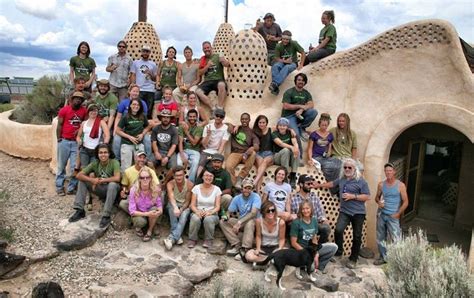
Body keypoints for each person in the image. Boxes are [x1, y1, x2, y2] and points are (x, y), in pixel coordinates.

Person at [314, 158, 370, 269]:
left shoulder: (361, 181)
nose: (347, 169)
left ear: (354, 169)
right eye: (345, 167)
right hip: (345, 211)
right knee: (338, 230)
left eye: (350, 167)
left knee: (357, 236)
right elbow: (331, 184)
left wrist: (352, 196)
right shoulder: (342, 179)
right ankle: (339, 252)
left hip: (358, 213)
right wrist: (317, 185)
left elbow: (367, 196)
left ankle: (353, 259)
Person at [68, 144, 121, 229]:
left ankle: (106, 216)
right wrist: (92, 180)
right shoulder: (95, 163)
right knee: (82, 181)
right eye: (100, 153)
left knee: (112, 184)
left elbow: (117, 178)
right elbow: (79, 175)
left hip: (112, 190)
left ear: (109, 153)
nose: (103, 155)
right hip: (100, 189)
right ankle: (80, 210)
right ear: (97, 154)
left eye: (105, 152)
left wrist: (100, 180)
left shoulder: (114, 162)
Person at [374, 163, 408, 265]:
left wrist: (398, 213)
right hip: (382, 214)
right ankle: (383, 257)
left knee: (396, 238)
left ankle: (397, 260)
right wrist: (379, 202)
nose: (388, 172)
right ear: (384, 172)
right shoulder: (381, 184)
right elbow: (377, 197)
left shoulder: (400, 185)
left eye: (390, 170)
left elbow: (406, 202)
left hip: (393, 216)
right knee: (380, 237)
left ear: (394, 171)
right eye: (386, 170)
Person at [290, 200, 338, 274]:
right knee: (311, 269)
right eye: (303, 209)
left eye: (307, 208)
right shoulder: (296, 222)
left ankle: (320, 268)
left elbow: (314, 239)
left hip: (312, 249)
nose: (305, 211)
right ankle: (307, 266)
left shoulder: (314, 220)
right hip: (301, 251)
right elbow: (293, 243)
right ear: (300, 210)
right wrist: (308, 254)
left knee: (334, 247)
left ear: (311, 209)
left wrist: (316, 252)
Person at [56, 91, 87, 196]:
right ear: (71, 99)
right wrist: (59, 139)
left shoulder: (84, 111)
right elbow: (59, 125)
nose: (78, 100)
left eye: (80, 99)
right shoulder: (64, 110)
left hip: (76, 143)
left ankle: (71, 187)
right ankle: (59, 186)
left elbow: (85, 125)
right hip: (64, 141)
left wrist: (80, 134)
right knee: (61, 165)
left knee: (75, 166)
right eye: (76, 98)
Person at [220, 178, 261, 256]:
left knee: (250, 222)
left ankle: (245, 249)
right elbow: (229, 212)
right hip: (241, 222)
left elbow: (253, 213)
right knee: (223, 222)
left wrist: (239, 222)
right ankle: (236, 245)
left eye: (249, 188)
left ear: (252, 189)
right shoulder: (237, 198)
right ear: (242, 188)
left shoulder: (256, 197)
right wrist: (226, 216)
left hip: (254, 223)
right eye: (245, 188)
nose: (247, 190)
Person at [281, 73, 318, 155]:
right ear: (295, 81)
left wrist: (302, 109)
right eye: (299, 80)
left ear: (305, 82)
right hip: (289, 117)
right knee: (296, 134)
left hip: (300, 116)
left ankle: (301, 127)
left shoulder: (306, 93)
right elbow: (286, 106)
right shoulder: (289, 92)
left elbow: (311, 105)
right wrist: (300, 106)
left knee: (313, 112)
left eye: (302, 80)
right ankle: (299, 155)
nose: (301, 82)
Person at [289, 174, 331, 244]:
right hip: (301, 225)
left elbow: (320, 214)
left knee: (326, 228)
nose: (310, 186)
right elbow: (292, 216)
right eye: (308, 184)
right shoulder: (294, 199)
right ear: (301, 184)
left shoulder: (314, 197)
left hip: (314, 224)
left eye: (311, 183)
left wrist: (323, 220)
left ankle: (317, 249)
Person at [113, 84, 150, 160]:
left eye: (137, 91)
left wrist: (143, 133)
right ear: (129, 91)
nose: (135, 93)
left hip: (139, 129)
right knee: (116, 139)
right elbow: (118, 117)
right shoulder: (123, 103)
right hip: (124, 127)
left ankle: (148, 159)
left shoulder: (143, 103)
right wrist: (115, 129)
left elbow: (145, 121)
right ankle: (116, 159)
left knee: (147, 139)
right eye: (133, 91)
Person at [116, 98, 152, 172]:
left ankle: (140, 181)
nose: (136, 106)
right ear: (130, 106)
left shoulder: (143, 116)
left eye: (138, 105)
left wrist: (143, 134)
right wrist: (129, 137)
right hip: (127, 143)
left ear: (140, 106)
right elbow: (117, 130)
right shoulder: (125, 117)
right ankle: (125, 182)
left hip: (138, 144)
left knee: (140, 166)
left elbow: (148, 126)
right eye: (134, 104)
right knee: (126, 167)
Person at [188, 169, 221, 249]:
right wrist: (197, 211)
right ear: (202, 177)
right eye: (206, 175)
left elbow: (217, 207)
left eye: (211, 176)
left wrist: (210, 212)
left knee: (208, 219)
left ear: (213, 178)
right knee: (195, 218)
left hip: (212, 213)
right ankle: (192, 239)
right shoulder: (196, 188)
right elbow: (192, 205)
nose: (208, 178)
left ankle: (208, 239)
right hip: (198, 211)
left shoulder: (217, 189)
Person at [226, 113, 259, 189]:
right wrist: (231, 125)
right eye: (242, 119)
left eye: (246, 119)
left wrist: (252, 148)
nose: (244, 120)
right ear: (240, 120)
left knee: (253, 153)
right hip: (235, 153)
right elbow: (226, 124)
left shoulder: (252, 132)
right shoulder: (236, 128)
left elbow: (256, 146)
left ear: (249, 120)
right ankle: (234, 186)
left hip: (246, 154)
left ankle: (240, 177)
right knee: (228, 166)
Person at [128, 167, 163, 242]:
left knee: (154, 210)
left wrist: (159, 211)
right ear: (139, 179)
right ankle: (139, 227)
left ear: (150, 178)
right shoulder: (134, 190)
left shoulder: (155, 189)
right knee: (141, 222)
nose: (145, 179)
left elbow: (159, 205)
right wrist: (147, 214)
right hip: (139, 212)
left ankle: (149, 231)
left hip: (150, 210)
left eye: (147, 177)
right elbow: (132, 211)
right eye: (142, 177)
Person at [164, 166, 193, 250]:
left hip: (184, 205)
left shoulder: (189, 184)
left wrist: (182, 209)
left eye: (181, 175)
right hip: (174, 203)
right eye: (177, 175)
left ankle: (172, 238)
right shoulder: (170, 184)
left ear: (184, 174)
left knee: (184, 215)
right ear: (173, 176)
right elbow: (171, 197)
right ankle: (177, 236)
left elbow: (187, 201)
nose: (179, 177)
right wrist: (176, 208)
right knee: (172, 209)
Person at [195, 41, 230, 110]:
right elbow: (200, 73)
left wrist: (223, 61)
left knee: (221, 85)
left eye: (208, 47)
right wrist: (207, 66)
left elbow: (227, 65)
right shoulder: (203, 59)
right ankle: (213, 108)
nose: (206, 49)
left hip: (218, 79)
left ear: (211, 48)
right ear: (203, 50)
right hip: (207, 81)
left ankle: (220, 108)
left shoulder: (218, 56)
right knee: (198, 92)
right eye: (204, 48)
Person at [269, 31, 305, 95]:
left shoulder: (294, 43)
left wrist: (301, 64)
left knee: (287, 67)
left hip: (293, 63)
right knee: (275, 66)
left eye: (287, 39)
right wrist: (285, 61)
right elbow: (276, 58)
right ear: (281, 38)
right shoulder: (278, 46)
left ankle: (275, 84)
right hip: (283, 62)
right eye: (284, 39)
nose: (285, 41)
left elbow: (303, 53)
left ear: (290, 39)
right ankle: (275, 87)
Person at [307, 113, 339, 182]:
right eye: (322, 125)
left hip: (326, 157)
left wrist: (328, 154)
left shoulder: (330, 135)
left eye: (326, 125)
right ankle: (331, 184)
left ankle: (337, 183)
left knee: (338, 164)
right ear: (319, 124)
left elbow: (330, 149)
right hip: (316, 157)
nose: (324, 127)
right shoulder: (314, 134)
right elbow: (310, 148)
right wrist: (310, 159)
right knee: (329, 166)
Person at [76, 103, 110, 168]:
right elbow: (78, 136)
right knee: (84, 168)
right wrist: (79, 141)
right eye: (91, 110)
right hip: (84, 149)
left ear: (97, 112)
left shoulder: (101, 122)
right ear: (88, 111)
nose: (93, 112)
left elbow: (107, 135)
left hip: (95, 150)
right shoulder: (84, 123)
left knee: (93, 170)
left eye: (95, 111)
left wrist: (104, 146)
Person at [197, 108, 230, 176]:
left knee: (215, 165)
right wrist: (208, 135)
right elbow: (204, 144)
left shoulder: (226, 129)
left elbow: (222, 145)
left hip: (218, 151)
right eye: (217, 115)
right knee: (201, 165)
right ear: (214, 116)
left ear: (223, 118)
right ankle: (197, 181)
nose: (218, 118)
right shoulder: (208, 126)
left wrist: (217, 155)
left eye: (221, 116)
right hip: (207, 151)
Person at [130, 44, 157, 119]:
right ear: (141, 52)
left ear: (149, 53)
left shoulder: (153, 64)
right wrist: (133, 85)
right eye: (144, 51)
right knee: (138, 107)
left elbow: (155, 78)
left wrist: (150, 73)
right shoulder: (136, 63)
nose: (145, 53)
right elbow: (133, 74)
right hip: (139, 89)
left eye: (147, 51)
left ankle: (147, 124)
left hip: (150, 89)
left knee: (149, 109)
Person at [272, 117, 300, 188]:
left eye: (284, 126)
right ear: (277, 126)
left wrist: (296, 148)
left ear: (287, 127)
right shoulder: (274, 134)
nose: (282, 127)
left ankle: (293, 175)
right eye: (280, 125)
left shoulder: (290, 133)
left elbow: (295, 142)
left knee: (297, 150)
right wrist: (291, 147)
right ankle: (285, 176)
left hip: (288, 158)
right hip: (277, 157)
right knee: (285, 150)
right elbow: (280, 143)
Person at [177, 109, 203, 183]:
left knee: (195, 163)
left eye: (194, 116)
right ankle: (180, 182)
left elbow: (194, 142)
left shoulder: (199, 128)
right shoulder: (182, 127)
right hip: (184, 150)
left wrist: (186, 132)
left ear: (197, 117)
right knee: (179, 163)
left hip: (195, 151)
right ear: (187, 117)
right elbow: (180, 142)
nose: (192, 118)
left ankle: (190, 183)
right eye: (190, 116)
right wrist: (182, 154)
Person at [252, 115, 274, 193]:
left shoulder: (271, 129)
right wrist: (237, 126)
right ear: (257, 123)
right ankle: (258, 192)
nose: (261, 124)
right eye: (260, 122)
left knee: (264, 162)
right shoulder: (255, 131)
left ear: (266, 123)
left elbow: (283, 127)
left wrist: (291, 130)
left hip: (269, 154)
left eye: (263, 122)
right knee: (260, 166)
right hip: (259, 154)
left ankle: (254, 183)